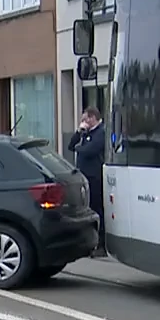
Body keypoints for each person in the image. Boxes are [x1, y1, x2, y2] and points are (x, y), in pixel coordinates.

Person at [67, 107, 107, 254]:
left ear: (92, 118)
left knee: (97, 209)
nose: (83, 122)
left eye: (85, 119)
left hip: (95, 176)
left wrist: (80, 148)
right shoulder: (86, 133)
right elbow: (71, 146)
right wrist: (79, 133)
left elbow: (90, 150)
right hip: (84, 177)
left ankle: (101, 244)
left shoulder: (101, 132)